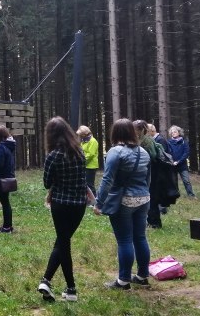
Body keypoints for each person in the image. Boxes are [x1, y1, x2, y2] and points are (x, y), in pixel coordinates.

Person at [94, 118, 152, 290]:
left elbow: (107, 180)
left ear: (115, 133)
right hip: (144, 199)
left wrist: (99, 202)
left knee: (125, 240)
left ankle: (123, 281)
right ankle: (142, 276)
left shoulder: (115, 152)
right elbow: (147, 178)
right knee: (140, 237)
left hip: (124, 200)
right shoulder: (144, 152)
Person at [38, 117, 89, 302]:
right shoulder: (79, 152)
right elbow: (83, 180)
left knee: (63, 243)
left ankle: (71, 288)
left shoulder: (53, 156)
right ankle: (48, 281)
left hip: (60, 204)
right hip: (78, 206)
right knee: (63, 241)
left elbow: (46, 183)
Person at [168, 126, 195, 198]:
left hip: (182, 165)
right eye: (172, 132)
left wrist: (179, 161)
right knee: (174, 181)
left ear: (179, 133)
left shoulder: (184, 142)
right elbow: (168, 153)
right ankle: (176, 195)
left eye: (175, 132)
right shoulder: (169, 142)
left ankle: (191, 195)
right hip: (172, 165)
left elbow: (186, 153)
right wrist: (172, 161)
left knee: (186, 181)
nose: (173, 133)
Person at [76, 125, 99, 195]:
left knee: (90, 184)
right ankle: (88, 199)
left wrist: (82, 159)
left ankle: (94, 200)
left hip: (91, 166)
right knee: (85, 183)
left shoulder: (93, 141)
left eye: (81, 135)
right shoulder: (84, 141)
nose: (80, 136)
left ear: (84, 134)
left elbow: (90, 154)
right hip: (85, 165)